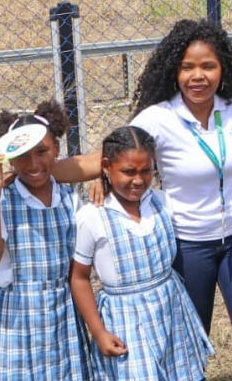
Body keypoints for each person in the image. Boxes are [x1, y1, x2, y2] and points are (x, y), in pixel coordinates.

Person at [53, 19, 232, 380]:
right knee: (190, 336)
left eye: (208, 66)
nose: (198, 76)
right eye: (187, 67)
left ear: (222, 69)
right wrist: (34, 168)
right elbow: (106, 157)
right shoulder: (158, 118)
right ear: (174, 71)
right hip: (187, 244)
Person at [70, 126, 214, 381]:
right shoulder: (91, 217)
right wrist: (99, 331)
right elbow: (79, 277)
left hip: (171, 310)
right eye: (128, 171)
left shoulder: (162, 202)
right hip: (125, 319)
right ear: (106, 166)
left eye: (146, 170)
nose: (138, 180)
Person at [0, 100, 93, 380]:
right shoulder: (1, 199)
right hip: (15, 315)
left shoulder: (69, 199)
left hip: (62, 312)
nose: (33, 163)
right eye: (22, 155)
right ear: (8, 158)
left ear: (57, 150)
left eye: (42, 151)